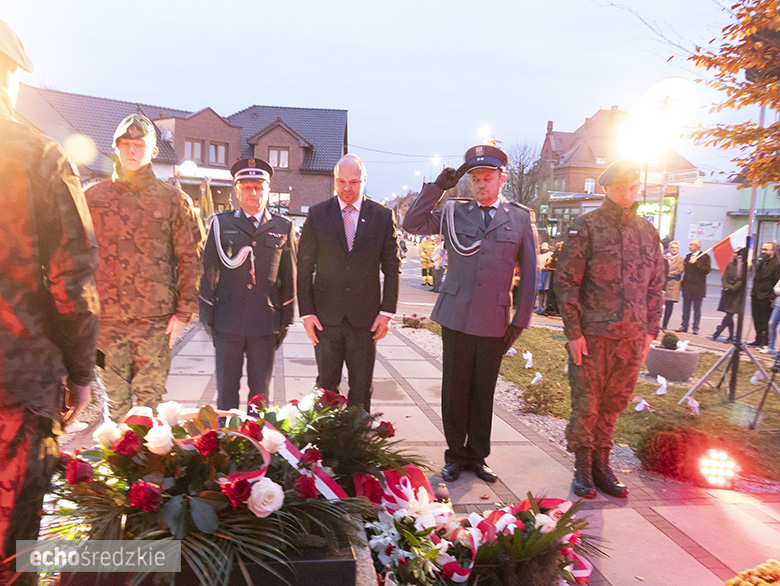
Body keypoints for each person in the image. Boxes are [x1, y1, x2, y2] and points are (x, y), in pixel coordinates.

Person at [0, 21, 99, 585]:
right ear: (11, 73)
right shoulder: (38, 155)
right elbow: (71, 280)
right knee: (16, 549)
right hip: (18, 386)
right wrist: (81, 374)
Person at [403, 144, 537, 484]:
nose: (481, 185)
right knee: (455, 389)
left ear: (502, 179)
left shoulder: (519, 218)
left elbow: (531, 274)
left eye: (488, 178)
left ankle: (478, 456)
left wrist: (520, 321)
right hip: (457, 315)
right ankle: (454, 455)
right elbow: (413, 223)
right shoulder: (454, 211)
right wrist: (437, 188)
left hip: (493, 318)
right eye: (476, 179)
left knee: (483, 391)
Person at [554, 159, 665, 499]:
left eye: (633, 188)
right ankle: (583, 468)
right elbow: (566, 282)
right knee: (587, 403)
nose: (628, 195)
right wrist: (573, 332)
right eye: (621, 189)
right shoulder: (586, 227)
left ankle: (603, 465)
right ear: (606, 189)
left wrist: (650, 331)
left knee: (614, 403)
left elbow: (657, 284)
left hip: (632, 335)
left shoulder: (647, 231)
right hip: (593, 334)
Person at [85, 114, 205, 421]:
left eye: (139, 145)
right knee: (115, 407)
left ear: (153, 151)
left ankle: (145, 469)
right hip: (105, 324)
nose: (131, 151)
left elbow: (191, 257)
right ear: (116, 148)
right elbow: (74, 258)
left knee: (148, 410)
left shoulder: (172, 200)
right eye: (125, 144)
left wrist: (183, 314)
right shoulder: (91, 199)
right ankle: (117, 467)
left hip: (154, 322)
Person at [297, 154, 401, 412]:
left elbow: (392, 268)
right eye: (341, 181)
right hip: (325, 318)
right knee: (325, 388)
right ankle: (323, 445)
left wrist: (386, 312)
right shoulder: (318, 214)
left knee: (361, 387)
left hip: (365, 321)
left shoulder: (382, 217)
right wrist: (307, 313)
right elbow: (304, 267)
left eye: (354, 182)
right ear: (334, 180)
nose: (346, 188)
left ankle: (356, 443)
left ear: (364, 180)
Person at [199, 158, 296, 409]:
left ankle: (255, 446)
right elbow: (208, 269)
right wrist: (206, 315)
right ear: (237, 190)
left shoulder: (283, 226)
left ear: (268, 190)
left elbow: (289, 276)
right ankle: (226, 442)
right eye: (247, 187)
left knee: (259, 396)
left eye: (259, 187)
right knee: (226, 392)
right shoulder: (221, 224)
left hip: (265, 323)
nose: (254, 193)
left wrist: (286, 319)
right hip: (227, 322)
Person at [750, 241, 780, 348]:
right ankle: (758, 339)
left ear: (772, 251)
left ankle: (765, 341)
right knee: (756, 318)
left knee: (765, 320)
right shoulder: (761, 263)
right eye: (762, 249)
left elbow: (777, 281)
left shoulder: (777, 264)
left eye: (766, 250)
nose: (763, 252)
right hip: (756, 295)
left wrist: (772, 296)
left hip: (767, 297)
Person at [710, 249, 745, 344]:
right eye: (734, 253)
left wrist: (732, 287)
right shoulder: (730, 265)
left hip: (737, 294)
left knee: (730, 313)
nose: (735, 255)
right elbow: (724, 277)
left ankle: (719, 331)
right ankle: (730, 336)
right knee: (729, 314)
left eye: (737, 253)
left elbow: (742, 281)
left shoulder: (744, 267)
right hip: (727, 292)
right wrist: (726, 286)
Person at [677, 240, 711, 335]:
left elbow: (707, 270)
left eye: (691, 245)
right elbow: (686, 271)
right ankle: (684, 325)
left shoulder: (705, 257)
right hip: (688, 286)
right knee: (685, 308)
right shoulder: (688, 256)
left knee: (697, 309)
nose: (689, 246)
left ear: (697, 246)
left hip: (698, 287)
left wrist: (697, 263)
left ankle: (695, 328)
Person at [662, 241, 684, 330]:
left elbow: (679, 271)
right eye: (673, 247)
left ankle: (664, 325)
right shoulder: (663, 258)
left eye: (676, 248)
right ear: (669, 248)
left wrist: (666, 273)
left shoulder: (681, 260)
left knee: (669, 306)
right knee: (658, 305)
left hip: (673, 285)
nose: (674, 249)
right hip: (663, 284)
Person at [535, 242, 552, 313]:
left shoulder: (550, 255)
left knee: (546, 291)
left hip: (547, 274)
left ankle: (545, 306)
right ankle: (540, 306)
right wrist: (539, 267)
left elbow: (551, 264)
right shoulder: (538, 256)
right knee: (540, 290)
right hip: (540, 274)